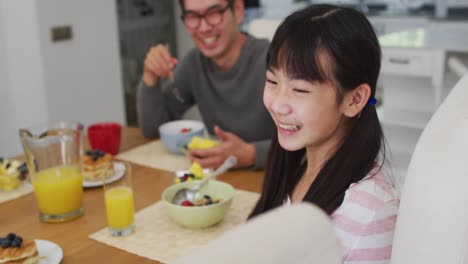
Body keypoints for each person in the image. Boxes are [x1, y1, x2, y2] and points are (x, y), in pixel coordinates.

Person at [248, 5, 399, 263]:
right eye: (272, 81)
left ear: (355, 99)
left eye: (300, 90)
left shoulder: (370, 212)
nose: (277, 104)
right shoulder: (296, 162)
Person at [137, 0, 275, 169]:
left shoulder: (275, 61)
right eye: (192, 16)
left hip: (278, 182)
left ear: (238, 11)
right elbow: (154, 129)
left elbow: (313, 144)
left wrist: (252, 154)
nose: (203, 27)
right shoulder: (194, 64)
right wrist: (150, 77)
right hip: (225, 182)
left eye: (214, 13)